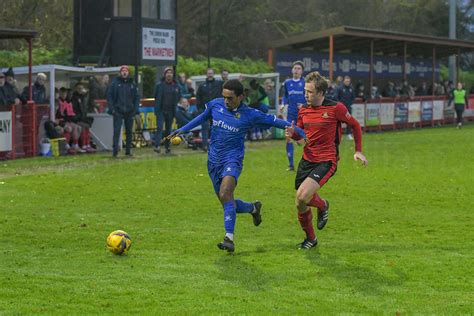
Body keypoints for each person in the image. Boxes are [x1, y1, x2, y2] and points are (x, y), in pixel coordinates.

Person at [167, 79, 307, 253]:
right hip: (213, 161)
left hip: (232, 159)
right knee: (227, 201)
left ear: (241, 97)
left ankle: (229, 238)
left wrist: (299, 131)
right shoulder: (215, 105)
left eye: (230, 98)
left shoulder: (250, 114)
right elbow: (201, 117)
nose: (226, 101)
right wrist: (182, 129)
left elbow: (275, 121)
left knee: (226, 193)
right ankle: (253, 207)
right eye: (224, 97)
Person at [286, 71, 368, 249]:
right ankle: (311, 239)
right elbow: (300, 135)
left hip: (326, 160)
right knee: (300, 202)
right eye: (305, 91)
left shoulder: (336, 108)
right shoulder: (303, 110)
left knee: (303, 196)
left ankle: (323, 206)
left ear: (321, 93)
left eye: (310, 92)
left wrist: (358, 151)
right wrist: (292, 134)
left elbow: (355, 125)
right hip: (307, 159)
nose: (306, 95)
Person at [107, 65, 139, 157]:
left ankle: (128, 151)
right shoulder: (114, 84)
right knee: (117, 131)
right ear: (120, 73)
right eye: (123, 71)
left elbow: (137, 97)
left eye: (126, 71)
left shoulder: (132, 84)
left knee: (129, 131)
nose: (124, 72)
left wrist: (135, 109)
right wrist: (112, 109)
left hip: (129, 111)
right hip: (118, 111)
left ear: (128, 73)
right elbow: (110, 97)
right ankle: (115, 150)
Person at [280, 61, 306, 171]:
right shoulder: (287, 83)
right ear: (292, 70)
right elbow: (285, 96)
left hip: (303, 115)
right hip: (290, 114)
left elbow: (310, 97)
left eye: (299, 68)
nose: (296, 70)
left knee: (304, 139)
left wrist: (304, 105)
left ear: (302, 71)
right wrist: (282, 104)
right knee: (288, 138)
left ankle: (309, 162)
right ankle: (291, 165)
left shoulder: (305, 83)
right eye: (295, 68)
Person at [153, 66, 181, 154]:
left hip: (171, 111)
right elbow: (155, 96)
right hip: (161, 110)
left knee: (168, 130)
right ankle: (157, 145)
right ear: (165, 75)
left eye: (171, 73)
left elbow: (178, 96)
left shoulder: (176, 86)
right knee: (159, 128)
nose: (169, 75)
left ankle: (167, 147)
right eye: (167, 73)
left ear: (173, 75)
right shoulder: (159, 85)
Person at [196, 68, 223, 150]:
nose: (210, 75)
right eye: (208, 73)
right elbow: (198, 98)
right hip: (205, 110)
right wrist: (200, 109)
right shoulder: (202, 86)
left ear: (213, 74)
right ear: (206, 75)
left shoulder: (219, 84)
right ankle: (205, 145)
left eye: (211, 73)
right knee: (205, 127)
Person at [55, 87, 83, 154]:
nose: (64, 95)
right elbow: (59, 114)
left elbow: (70, 113)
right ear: (59, 93)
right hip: (60, 121)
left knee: (78, 127)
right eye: (62, 93)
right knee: (69, 128)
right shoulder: (57, 101)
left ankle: (75, 145)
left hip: (67, 120)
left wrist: (73, 118)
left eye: (65, 93)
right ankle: (67, 146)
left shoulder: (68, 102)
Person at [337, 76, 356, 140]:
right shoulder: (340, 88)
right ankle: (337, 134)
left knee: (349, 121)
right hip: (340, 108)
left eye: (348, 81)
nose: (347, 82)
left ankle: (348, 134)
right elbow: (337, 97)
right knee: (338, 121)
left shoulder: (351, 88)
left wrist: (350, 103)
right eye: (346, 81)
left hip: (348, 108)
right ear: (344, 81)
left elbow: (353, 97)